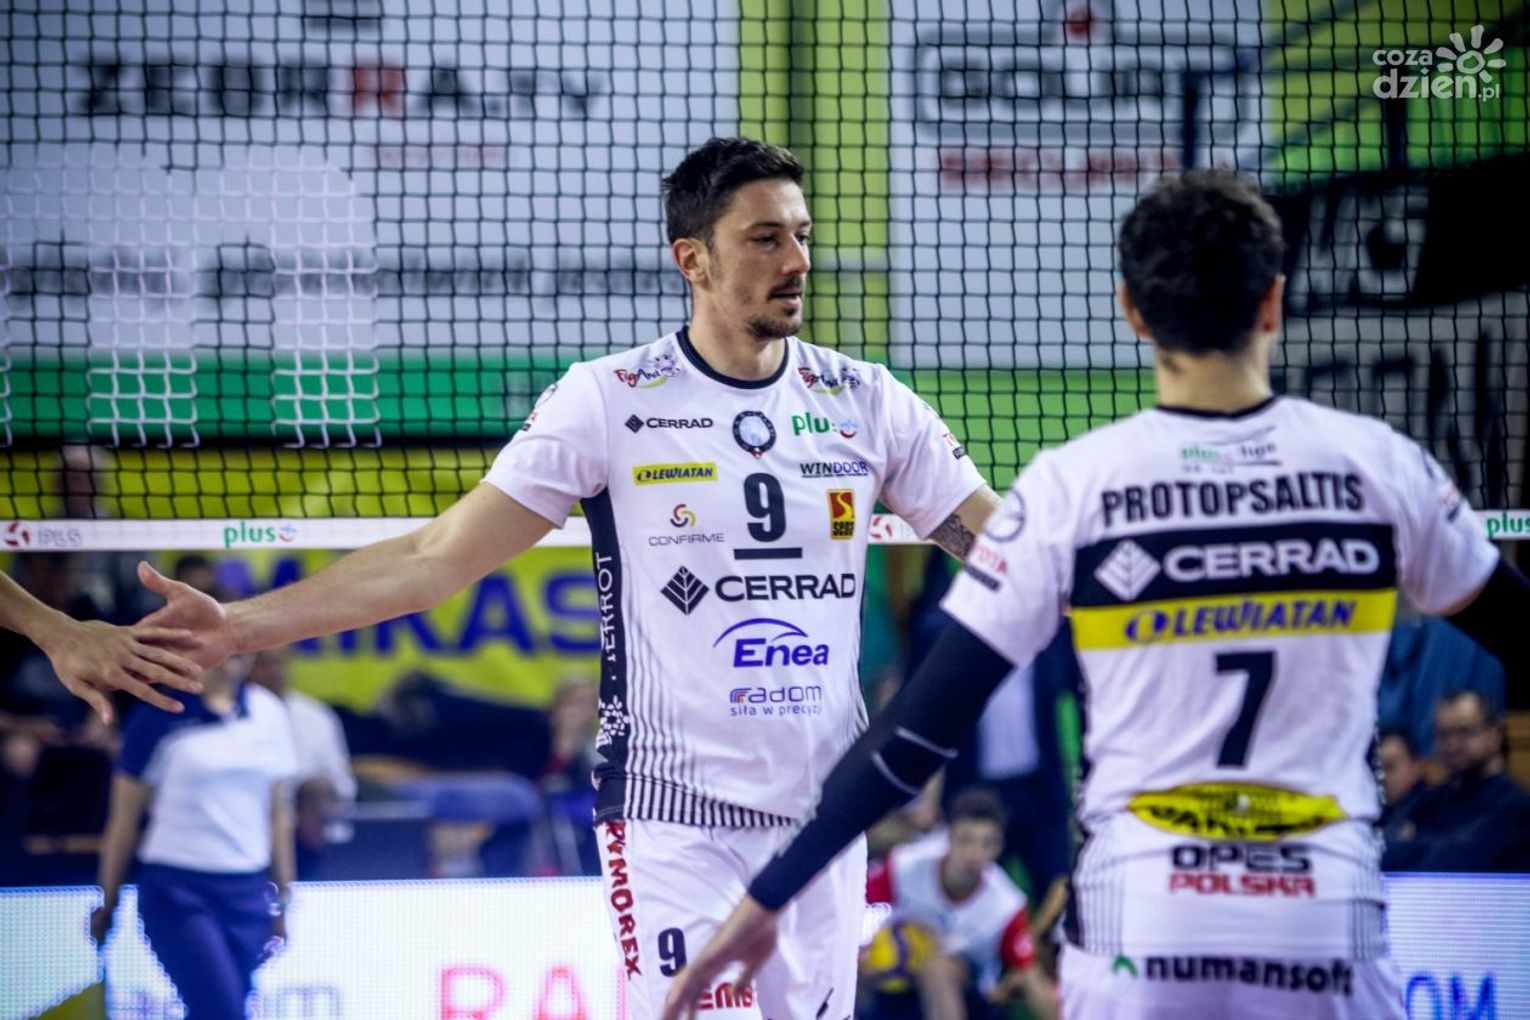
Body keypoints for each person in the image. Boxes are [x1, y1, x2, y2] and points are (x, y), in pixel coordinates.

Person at [131, 136, 997, 1018]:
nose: (797, 261)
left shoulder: (866, 401)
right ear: (693, 260)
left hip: (823, 820)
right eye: (765, 239)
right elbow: (435, 558)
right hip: (673, 817)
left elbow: (1007, 551)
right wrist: (237, 627)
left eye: (801, 236)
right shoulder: (611, 399)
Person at [658, 170, 1530, 1020]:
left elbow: (914, 735)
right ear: (1273, 303)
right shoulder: (1380, 468)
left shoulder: (1075, 487)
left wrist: (769, 895)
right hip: (1322, 917)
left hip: (1142, 923)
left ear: (1133, 312)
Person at [92, 654, 298, 1018]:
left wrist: (283, 897)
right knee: (220, 1010)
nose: (232, 657)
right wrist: (108, 901)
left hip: (248, 890)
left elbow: (278, 813)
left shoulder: (268, 711)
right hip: (178, 888)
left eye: (241, 646)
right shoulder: (158, 715)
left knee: (226, 1006)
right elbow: (123, 820)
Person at [863, 787, 1057, 1020]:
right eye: (965, 840)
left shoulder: (1006, 906)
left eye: (987, 844)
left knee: (937, 967)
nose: (974, 854)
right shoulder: (905, 866)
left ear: (999, 847)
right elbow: (854, 908)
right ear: (948, 837)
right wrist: (863, 944)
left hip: (971, 998)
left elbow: (1030, 977)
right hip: (894, 982)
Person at [0, 568, 200, 722]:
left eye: (65, 564)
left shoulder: (85, 608)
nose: (58, 575)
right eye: (54, 562)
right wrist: (59, 634)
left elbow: (102, 669)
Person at [1382, 690, 1530, 872]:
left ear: (1495, 734)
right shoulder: (1429, 800)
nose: (1452, 745)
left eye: (1464, 732)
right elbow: (1382, 850)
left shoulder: (1516, 805)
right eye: (1443, 734)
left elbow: (1456, 859)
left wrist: (1415, 844)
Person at [248, 647, 355, 879]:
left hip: (305, 829)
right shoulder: (228, 715)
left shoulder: (316, 716)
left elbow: (343, 787)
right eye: (263, 664)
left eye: (279, 663)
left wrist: (310, 796)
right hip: (247, 819)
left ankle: (308, 883)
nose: (274, 672)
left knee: (316, 792)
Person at [1376, 726, 1428, 844]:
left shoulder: (1434, 812)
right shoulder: (1370, 813)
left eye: (1389, 767)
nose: (1382, 777)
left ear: (1416, 767)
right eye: (1377, 770)